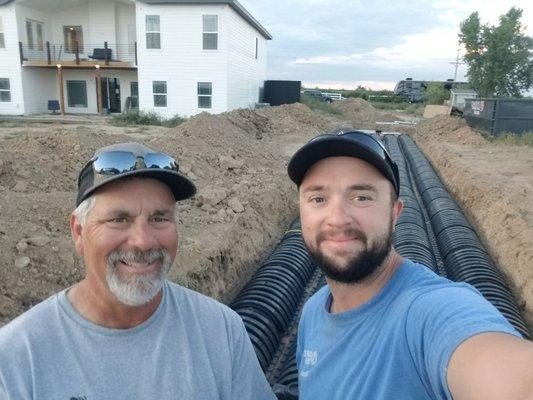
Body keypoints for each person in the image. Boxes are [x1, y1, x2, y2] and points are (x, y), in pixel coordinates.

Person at [0, 142, 276, 400]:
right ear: (79, 232)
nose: (143, 241)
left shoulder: (221, 331)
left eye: (159, 218)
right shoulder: (16, 360)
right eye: (119, 219)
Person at [287, 131, 533, 400]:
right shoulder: (313, 313)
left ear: (395, 213)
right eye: (318, 199)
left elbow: (507, 375)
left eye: (362, 197)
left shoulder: (432, 311)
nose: (337, 219)